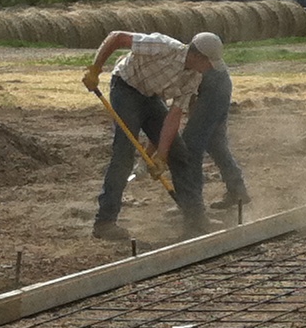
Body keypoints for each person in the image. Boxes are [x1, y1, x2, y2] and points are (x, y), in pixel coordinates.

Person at [86, 28, 220, 240]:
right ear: (196, 56)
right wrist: (95, 69)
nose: (211, 67)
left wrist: (161, 155)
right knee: (124, 153)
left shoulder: (194, 77)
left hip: (150, 97)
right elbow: (117, 37)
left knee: (179, 153)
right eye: (209, 62)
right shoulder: (163, 46)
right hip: (126, 87)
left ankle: (195, 219)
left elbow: (174, 115)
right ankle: (105, 222)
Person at [186, 60, 248, 215]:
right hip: (219, 82)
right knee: (215, 142)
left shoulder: (191, 64)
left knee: (191, 144)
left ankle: (192, 202)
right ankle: (237, 190)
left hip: (212, 86)